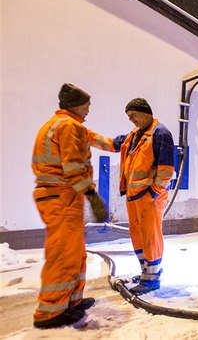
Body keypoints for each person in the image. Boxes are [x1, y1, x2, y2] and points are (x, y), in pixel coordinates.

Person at [31, 83, 108, 329]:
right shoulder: (69, 126)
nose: (89, 109)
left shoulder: (61, 124)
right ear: (77, 104)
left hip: (60, 196)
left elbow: (98, 140)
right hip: (61, 195)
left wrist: (126, 140)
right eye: (87, 104)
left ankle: (72, 301)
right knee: (63, 254)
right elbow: (73, 166)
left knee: (74, 251)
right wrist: (92, 195)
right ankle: (50, 312)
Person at [91, 98, 174, 295]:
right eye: (129, 117)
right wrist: (86, 136)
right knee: (137, 235)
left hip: (149, 197)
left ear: (144, 112)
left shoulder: (160, 133)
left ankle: (152, 279)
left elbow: (166, 169)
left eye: (133, 116)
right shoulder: (134, 135)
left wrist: (153, 192)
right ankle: (147, 272)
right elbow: (112, 144)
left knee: (150, 236)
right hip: (134, 196)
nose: (132, 120)